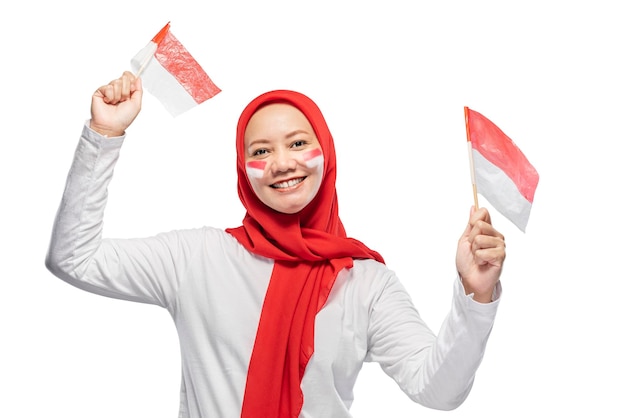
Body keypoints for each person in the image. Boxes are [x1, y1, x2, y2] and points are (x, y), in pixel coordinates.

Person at [46, 71, 505, 418]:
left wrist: (476, 294)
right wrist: (104, 135)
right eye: (260, 150)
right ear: (243, 168)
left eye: (298, 142)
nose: (281, 163)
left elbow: (438, 390)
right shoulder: (197, 258)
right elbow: (74, 258)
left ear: (326, 152)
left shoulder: (366, 283)